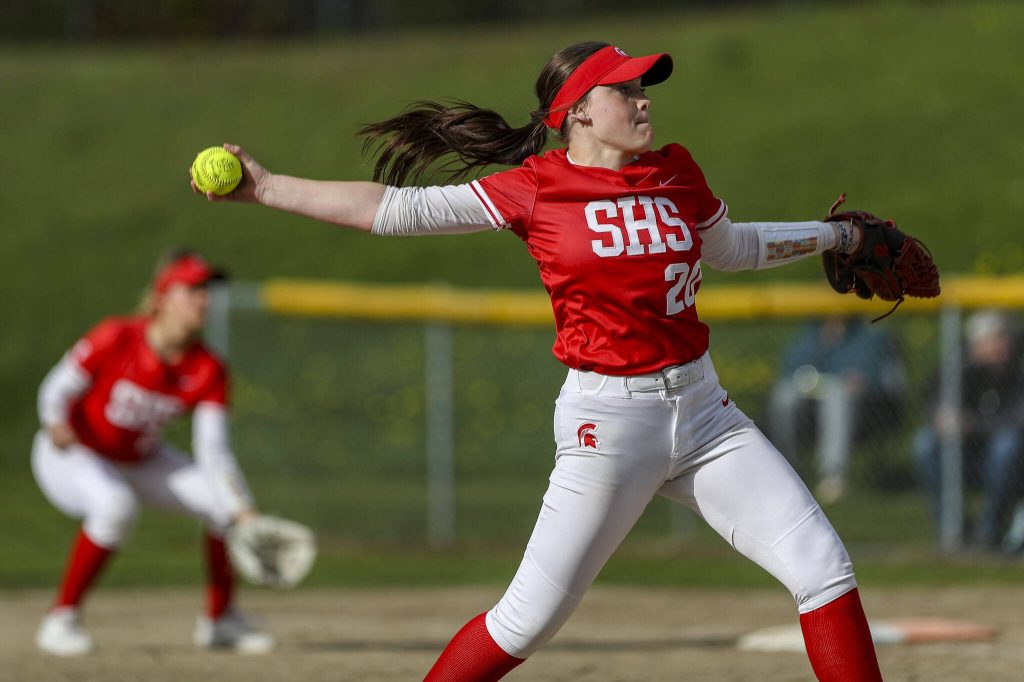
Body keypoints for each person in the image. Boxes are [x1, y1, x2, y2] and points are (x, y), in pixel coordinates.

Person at [194, 42, 883, 680]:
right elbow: (398, 209)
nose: (644, 101)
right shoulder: (537, 187)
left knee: (824, 568)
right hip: (608, 426)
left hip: (707, 415)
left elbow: (730, 247)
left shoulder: (675, 170)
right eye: (625, 90)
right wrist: (268, 188)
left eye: (644, 89)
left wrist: (837, 234)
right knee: (524, 623)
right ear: (577, 111)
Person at [32, 249, 274, 656]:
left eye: (207, 291)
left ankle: (221, 620)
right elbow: (56, 388)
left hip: (139, 458)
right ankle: (61, 619)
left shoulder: (208, 368)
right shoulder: (117, 336)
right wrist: (56, 422)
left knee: (221, 506)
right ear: (162, 296)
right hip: (72, 453)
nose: (205, 300)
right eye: (192, 290)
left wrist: (242, 511)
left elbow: (213, 451)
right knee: (115, 506)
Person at [913, 309, 1024, 551]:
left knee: (1006, 446)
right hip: (967, 456)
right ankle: (954, 529)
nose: (997, 346)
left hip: (1011, 460)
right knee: (926, 444)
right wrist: (940, 417)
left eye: (1001, 338)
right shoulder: (964, 369)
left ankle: (989, 531)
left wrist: (973, 424)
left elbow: (1018, 420)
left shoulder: (1019, 370)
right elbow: (931, 401)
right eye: (989, 341)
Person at [767, 315, 907, 504]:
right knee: (784, 394)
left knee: (837, 394)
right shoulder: (812, 333)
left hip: (865, 409)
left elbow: (874, 376)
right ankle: (786, 469)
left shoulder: (867, 334)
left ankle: (832, 475)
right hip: (811, 407)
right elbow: (791, 368)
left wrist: (860, 379)